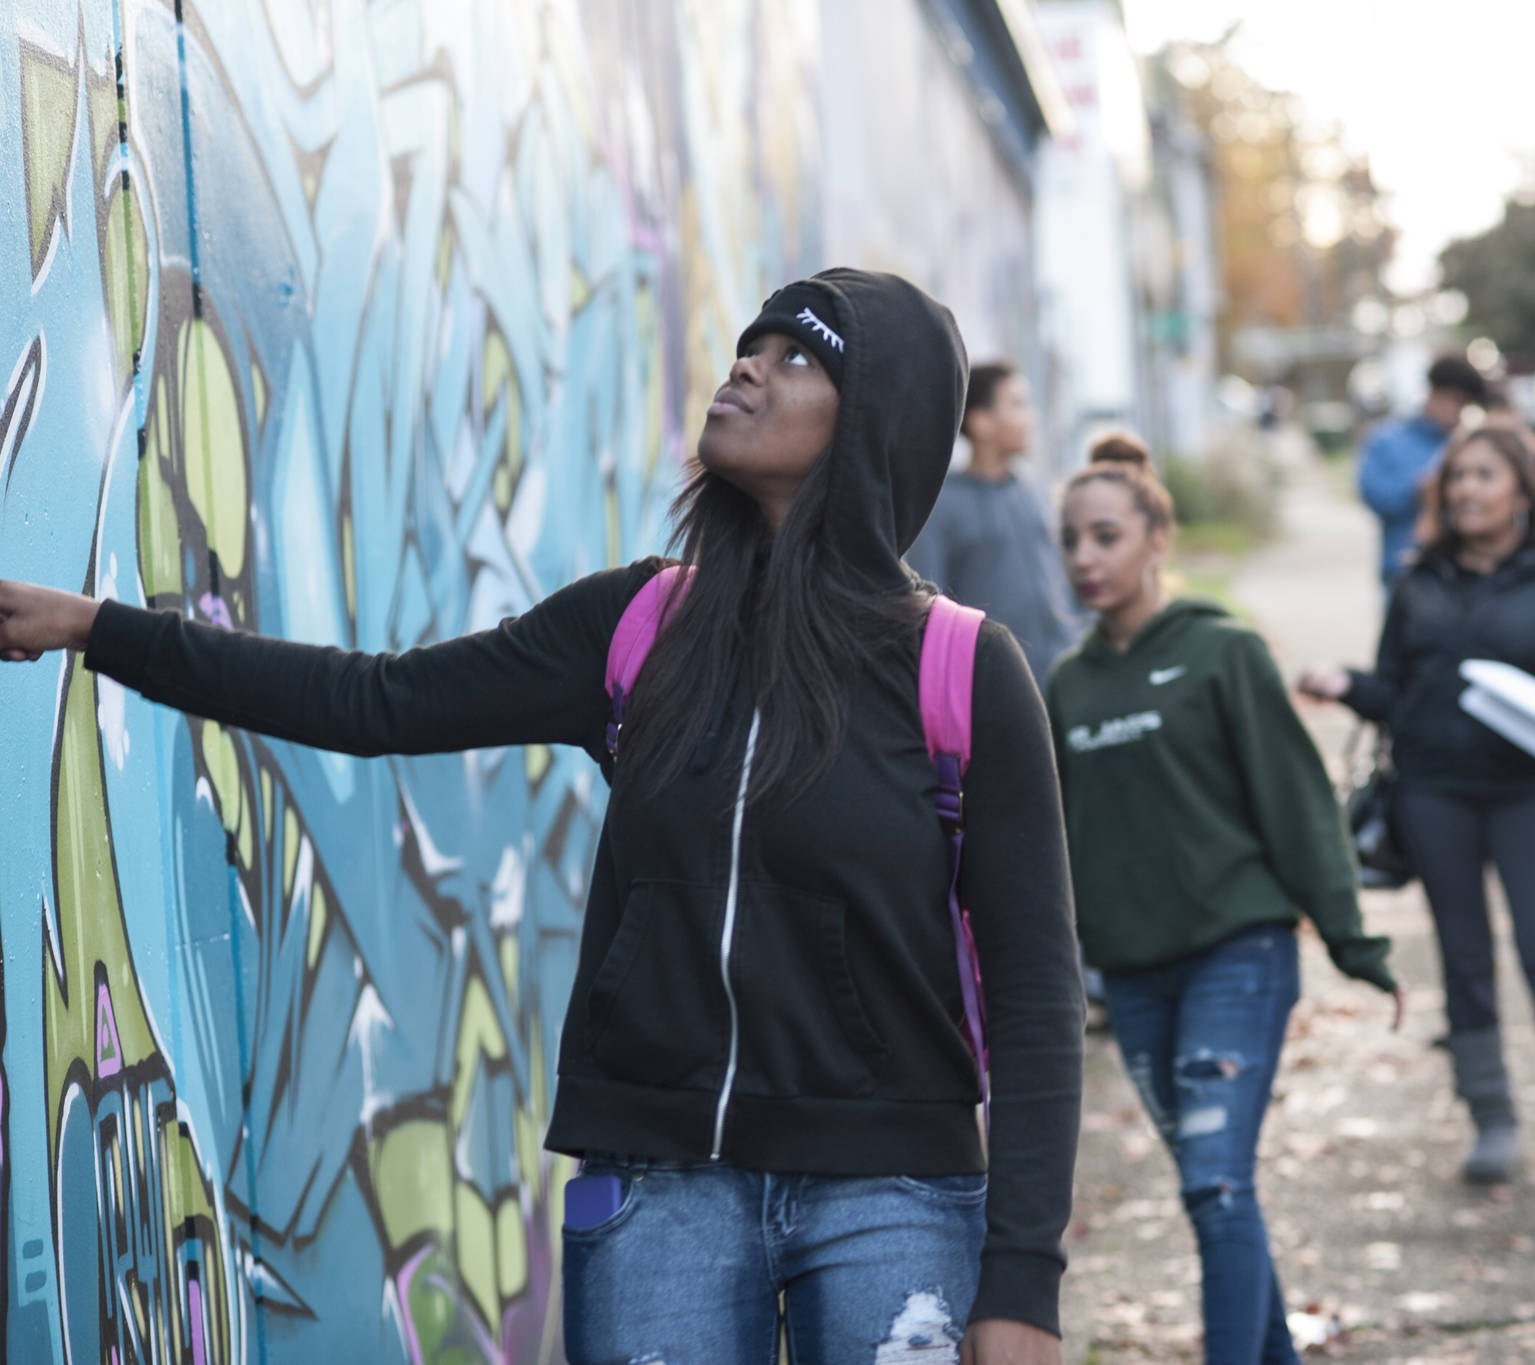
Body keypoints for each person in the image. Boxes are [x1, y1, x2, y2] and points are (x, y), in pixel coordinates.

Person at [0, 270, 1083, 1364]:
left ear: (875, 422)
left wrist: (1023, 1282)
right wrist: (100, 628)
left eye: (797, 356)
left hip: (890, 1196)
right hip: (661, 1191)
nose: (747, 363)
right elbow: (375, 700)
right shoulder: (638, 627)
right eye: (749, 342)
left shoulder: (960, 671)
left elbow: (1036, 992)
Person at [1046, 432, 1403, 1364]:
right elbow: (1051, 847)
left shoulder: (1222, 654)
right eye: (1072, 541)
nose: (1085, 558)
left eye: (1107, 536)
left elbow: (1296, 806)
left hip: (1237, 956)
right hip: (1132, 977)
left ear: (1157, 537)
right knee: (1220, 1187)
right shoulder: (1066, 689)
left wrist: (1351, 938)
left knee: (1214, 1185)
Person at [1300, 422, 1535, 1186]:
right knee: (1465, 955)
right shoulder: (1417, 580)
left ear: (1523, 488)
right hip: (1432, 790)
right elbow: (1395, 688)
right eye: (1457, 479)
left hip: (1526, 791)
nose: (1467, 491)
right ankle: (1492, 1117)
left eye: (1484, 476)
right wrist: (1345, 683)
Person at [908, 360, 1083, 688]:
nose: (1031, 417)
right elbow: (926, 612)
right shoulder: (940, 506)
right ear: (980, 422)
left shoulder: (1038, 491)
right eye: (1017, 405)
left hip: (1068, 681)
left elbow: (1069, 576)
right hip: (996, 689)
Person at [1357, 354, 1491, 588]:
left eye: (1464, 405)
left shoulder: (1468, 444)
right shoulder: (1387, 439)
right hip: (1403, 567)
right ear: (1433, 393)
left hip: (1461, 572)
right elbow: (1375, 497)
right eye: (1453, 401)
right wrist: (1421, 487)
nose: (1457, 412)